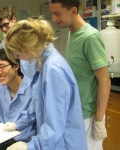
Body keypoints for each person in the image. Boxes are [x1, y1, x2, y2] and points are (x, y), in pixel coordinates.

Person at [3, 17, 87, 150]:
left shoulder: (53, 70)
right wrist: (18, 124)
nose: (16, 57)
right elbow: (38, 106)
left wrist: (31, 146)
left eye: (17, 53)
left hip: (64, 143)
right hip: (53, 142)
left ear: (28, 46)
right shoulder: (40, 64)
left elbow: (55, 125)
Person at [49, 1, 111, 149]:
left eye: (57, 14)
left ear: (74, 11)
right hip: (76, 111)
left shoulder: (90, 37)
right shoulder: (72, 33)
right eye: (52, 14)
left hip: (88, 116)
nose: (54, 19)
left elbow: (105, 80)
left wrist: (99, 120)